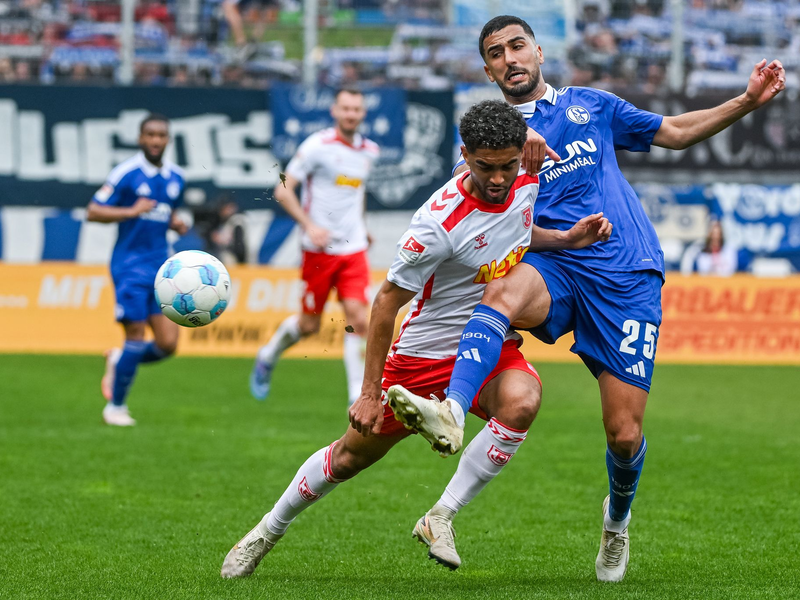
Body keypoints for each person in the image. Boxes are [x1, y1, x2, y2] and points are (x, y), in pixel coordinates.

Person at [388, 15, 785, 582]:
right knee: (501, 290)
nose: (509, 58)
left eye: (517, 46)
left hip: (626, 274)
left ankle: (616, 523)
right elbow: (476, 200)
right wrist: (511, 146)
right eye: (496, 53)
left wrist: (745, 100)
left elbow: (671, 131)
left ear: (540, 52)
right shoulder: (487, 142)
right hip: (554, 263)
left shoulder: (592, 106)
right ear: (487, 69)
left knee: (624, 434)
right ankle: (452, 413)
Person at [220, 100, 612, 578]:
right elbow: (385, 304)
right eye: (485, 167)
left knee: (523, 400)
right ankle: (266, 532)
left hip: (484, 341)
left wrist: (568, 238)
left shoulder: (525, 175)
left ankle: (439, 516)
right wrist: (368, 394)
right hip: (419, 357)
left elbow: (519, 233)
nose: (497, 178)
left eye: (507, 165)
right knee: (347, 458)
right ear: (464, 155)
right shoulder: (437, 225)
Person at [250, 89, 380, 406]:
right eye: (345, 108)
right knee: (309, 325)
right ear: (335, 111)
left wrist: (363, 227)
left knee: (358, 320)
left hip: (353, 249)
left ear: (363, 114)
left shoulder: (370, 151)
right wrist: (309, 224)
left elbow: (356, 193)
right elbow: (282, 189)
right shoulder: (316, 146)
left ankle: (355, 395)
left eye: (356, 109)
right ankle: (268, 355)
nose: (351, 114)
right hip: (318, 251)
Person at [87, 114, 188, 426]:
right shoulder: (126, 173)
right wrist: (131, 211)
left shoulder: (176, 177)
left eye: (161, 135)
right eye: (150, 135)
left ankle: (119, 361)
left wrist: (174, 222)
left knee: (168, 344)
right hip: (129, 266)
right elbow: (93, 210)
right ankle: (115, 407)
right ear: (140, 138)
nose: (156, 141)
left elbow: (163, 213)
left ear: (168, 140)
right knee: (135, 334)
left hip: (162, 268)